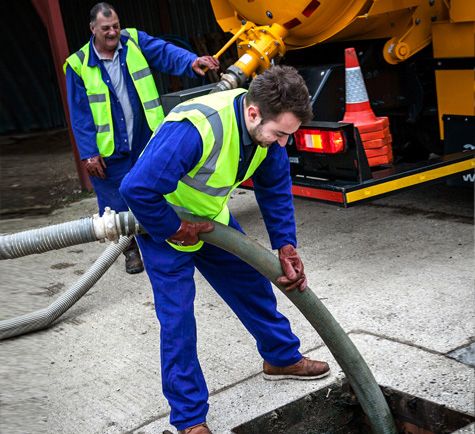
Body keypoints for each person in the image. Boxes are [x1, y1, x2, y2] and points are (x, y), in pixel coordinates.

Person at [120, 65, 330, 434]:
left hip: (210, 221)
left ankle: (280, 358)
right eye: (280, 133)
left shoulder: (267, 135)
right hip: (162, 223)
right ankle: (189, 419)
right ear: (253, 113)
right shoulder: (198, 128)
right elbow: (136, 188)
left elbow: (275, 186)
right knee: (178, 319)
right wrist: (173, 228)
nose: (283, 143)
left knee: (251, 282)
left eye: (289, 136)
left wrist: (285, 245)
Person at [64, 2, 219, 274]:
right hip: (109, 147)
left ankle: (167, 236)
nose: (113, 33)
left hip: (145, 137)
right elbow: (79, 114)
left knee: (155, 191)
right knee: (114, 201)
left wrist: (191, 61)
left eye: (115, 26)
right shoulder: (78, 65)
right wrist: (88, 152)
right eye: (106, 29)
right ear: (92, 30)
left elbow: (165, 53)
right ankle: (129, 249)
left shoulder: (134, 41)